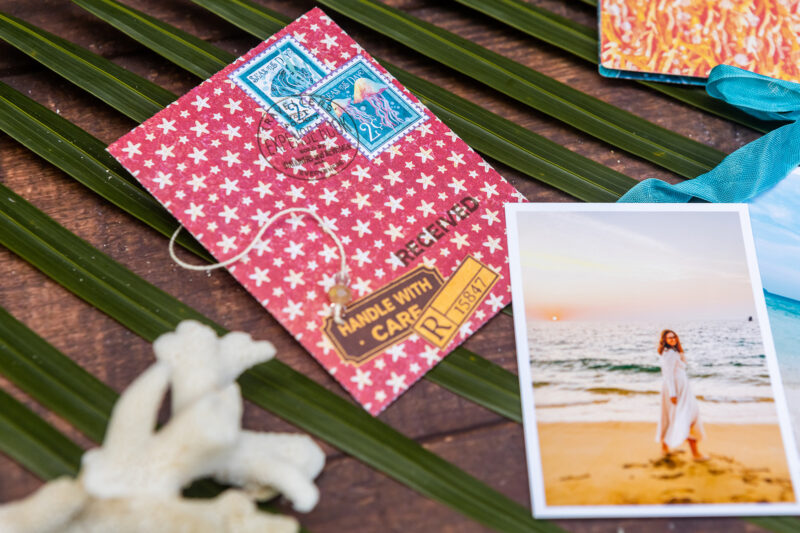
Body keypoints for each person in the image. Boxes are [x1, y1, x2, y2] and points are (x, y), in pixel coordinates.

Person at [656, 329, 708, 460]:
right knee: (687, 417)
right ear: (665, 340)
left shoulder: (673, 352)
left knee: (677, 417)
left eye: (674, 337)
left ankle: (665, 448)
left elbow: (682, 365)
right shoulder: (669, 354)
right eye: (669, 338)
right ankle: (695, 453)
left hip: (682, 388)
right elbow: (668, 375)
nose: (673, 339)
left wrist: (680, 350)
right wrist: (673, 394)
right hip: (676, 390)